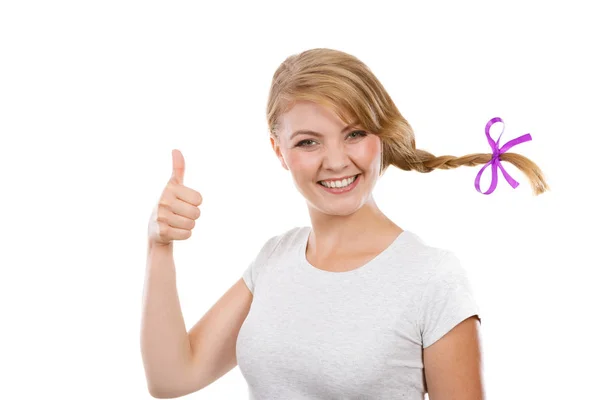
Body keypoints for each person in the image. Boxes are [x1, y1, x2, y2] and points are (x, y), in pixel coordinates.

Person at [141, 48, 549, 399]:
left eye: (354, 133)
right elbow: (172, 376)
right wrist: (158, 246)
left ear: (382, 137)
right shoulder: (275, 258)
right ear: (278, 151)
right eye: (308, 141)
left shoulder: (432, 278)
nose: (336, 161)